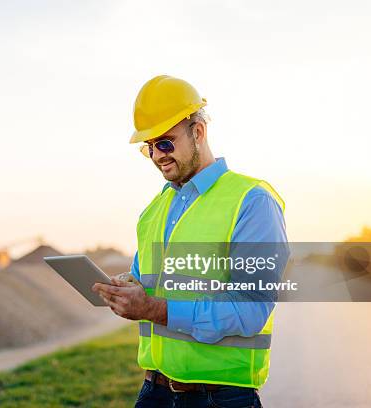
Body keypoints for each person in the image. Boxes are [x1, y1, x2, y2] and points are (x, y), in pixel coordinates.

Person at [92, 75, 289, 408]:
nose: (157, 155)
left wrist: (153, 309)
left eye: (165, 142)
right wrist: (128, 291)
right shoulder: (153, 211)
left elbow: (251, 309)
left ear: (198, 131)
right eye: (149, 146)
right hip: (153, 391)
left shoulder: (252, 201)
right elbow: (148, 286)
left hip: (220, 397)